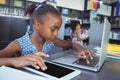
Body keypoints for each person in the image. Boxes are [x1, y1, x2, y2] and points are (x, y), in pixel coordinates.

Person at [0, 3, 93, 71]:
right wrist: (15, 60)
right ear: (37, 25)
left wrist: (81, 49)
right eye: (53, 29)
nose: (56, 34)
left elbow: (71, 45)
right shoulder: (19, 44)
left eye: (58, 29)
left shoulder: (51, 40)